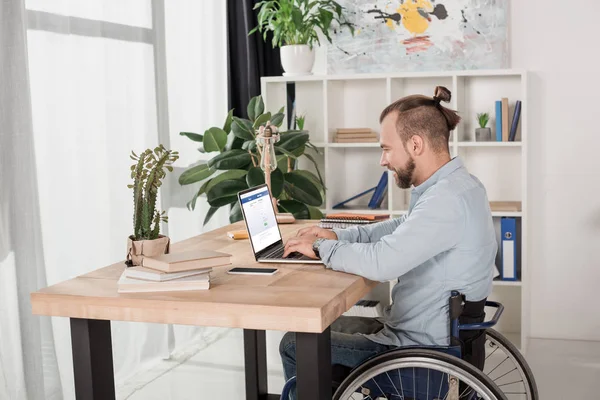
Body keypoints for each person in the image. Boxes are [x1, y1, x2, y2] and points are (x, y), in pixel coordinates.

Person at [279, 86, 497, 393]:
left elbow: (382, 263)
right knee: (313, 331)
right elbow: (397, 229)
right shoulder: (460, 187)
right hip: (441, 341)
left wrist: (319, 248)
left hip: (419, 355)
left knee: (294, 343)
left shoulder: (445, 200)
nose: (383, 161)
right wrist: (336, 235)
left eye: (386, 148)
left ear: (416, 144)